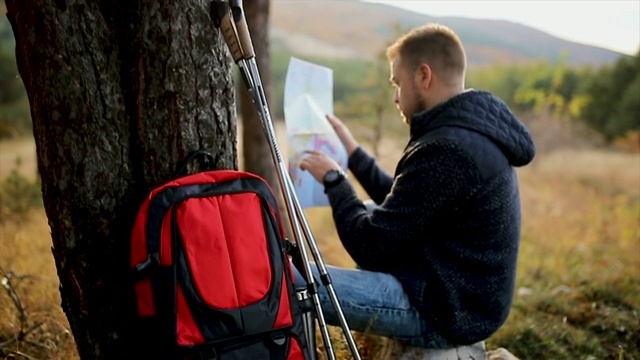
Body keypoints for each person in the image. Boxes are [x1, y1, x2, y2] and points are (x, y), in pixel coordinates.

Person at [295, 23, 536, 352]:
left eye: (397, 82)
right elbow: (405, 201)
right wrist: (352, 153)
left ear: (424, 76)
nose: (395, 96)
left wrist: (335, 181)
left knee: (295, 283)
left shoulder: (449, 150)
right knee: (366, 211)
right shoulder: (465, 130)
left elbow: (370, 246)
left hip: (447, 312)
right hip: (456, 289)